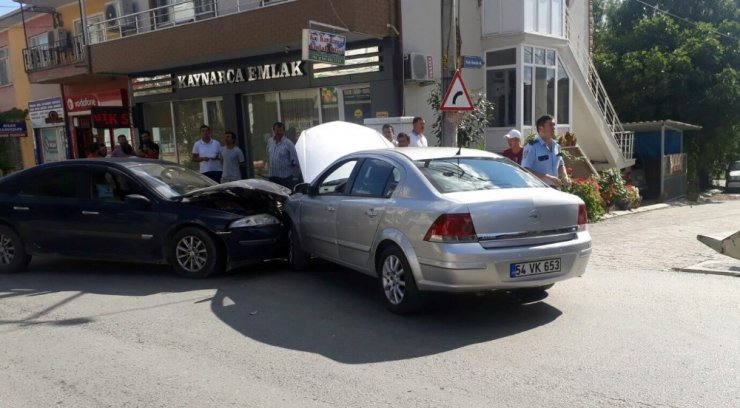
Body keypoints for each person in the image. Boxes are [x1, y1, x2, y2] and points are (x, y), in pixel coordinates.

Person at [522, 115, 570, 187]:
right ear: (541, 129)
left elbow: (560, 164)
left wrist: (565, 177)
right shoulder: (532, 146)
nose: (553, 127)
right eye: (550, 125)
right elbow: (525, 169)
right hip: (538, 188)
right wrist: (547, 177)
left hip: (555, 188)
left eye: (554, 125)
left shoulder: (556, 146)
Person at [267, 121, 300, 189]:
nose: (279, 132)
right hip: (272, 176)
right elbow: (269, 155)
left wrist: (294, 177)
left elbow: (295, 162)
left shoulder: (289, 144)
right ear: (273, 131)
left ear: (284, 131)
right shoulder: (270, 141)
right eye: (277, 130)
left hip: (285, 178)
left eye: (280, 130)